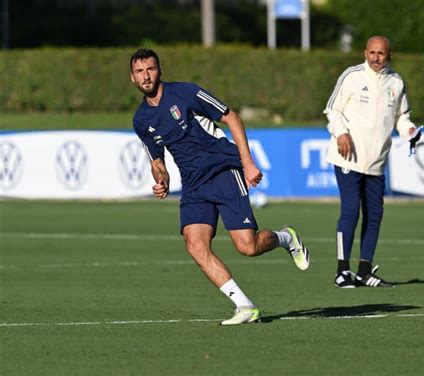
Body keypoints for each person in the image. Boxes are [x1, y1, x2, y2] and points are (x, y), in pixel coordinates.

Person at [129, 48, 310, 324]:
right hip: (193, 184)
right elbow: (157, 162)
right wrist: (161, 180)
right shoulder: (141, 120)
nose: (146, 76)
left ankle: (286, 237)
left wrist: (247, 163)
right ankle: (245, 306)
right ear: (132, 78)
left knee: (247, 247)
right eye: (140, 71)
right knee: (195, 245)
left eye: (151, 69)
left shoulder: (186, 93)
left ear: (160, 71)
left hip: (223, 170)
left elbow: (231, 117)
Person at [324, 36, 421, 288]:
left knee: (374, 216)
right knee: (350, 212)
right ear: (365, 52)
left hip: (377, 161)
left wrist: (409, 130)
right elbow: (332, 110)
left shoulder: (397, 82)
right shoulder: (352, 76)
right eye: (372, 53)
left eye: (381, 53)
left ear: (390, 55)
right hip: (348, 157)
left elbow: (402, 116)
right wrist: (341, 132)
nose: (376, 58)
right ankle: (342, 271)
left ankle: (365, 272)